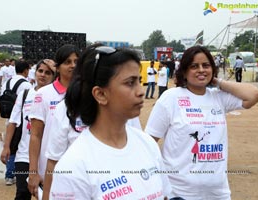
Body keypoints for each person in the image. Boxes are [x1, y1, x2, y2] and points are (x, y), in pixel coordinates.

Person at [50, 45, 172, 199]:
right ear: (100, 94)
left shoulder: (147, 144)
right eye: (130, 83)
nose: (141, 91)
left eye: (139, 81)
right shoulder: (74, 167)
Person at [145, 46, 258, 200]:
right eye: (194, 66)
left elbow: (254, 95)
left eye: (206, 65)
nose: (201, 70)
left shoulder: (219, 97)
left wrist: (216, 81)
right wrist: (158, 186)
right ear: (185, 71)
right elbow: (148, 145)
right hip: (179, 193)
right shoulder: (170, 98)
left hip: (218, 194)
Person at [28, 44, 80, 198]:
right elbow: (35, 135)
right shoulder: (43, 94)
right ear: (58, 67)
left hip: (79, 172)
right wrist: (33, 172)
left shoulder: (86, 95)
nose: (73, 66)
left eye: (76, 62)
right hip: (50, 170)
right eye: (67, 62)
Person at [0, 59, 55, 200]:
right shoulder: (25, 94)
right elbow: (13, 122)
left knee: (48, 195)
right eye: (40, 71)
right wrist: (6, 147)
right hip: (24, 155)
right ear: (34, 73)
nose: (43, 75)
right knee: (23, 193)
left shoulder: (58, 97)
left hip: (48, 157)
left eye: (48, 72)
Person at [1, 61, 33, 186]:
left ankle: (9, 175)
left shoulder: (6, 83)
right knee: (19, 147)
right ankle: (14, 174)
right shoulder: (26, 85)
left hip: (9, 119)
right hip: (22, 121)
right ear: (26, 70)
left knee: (10, 146)